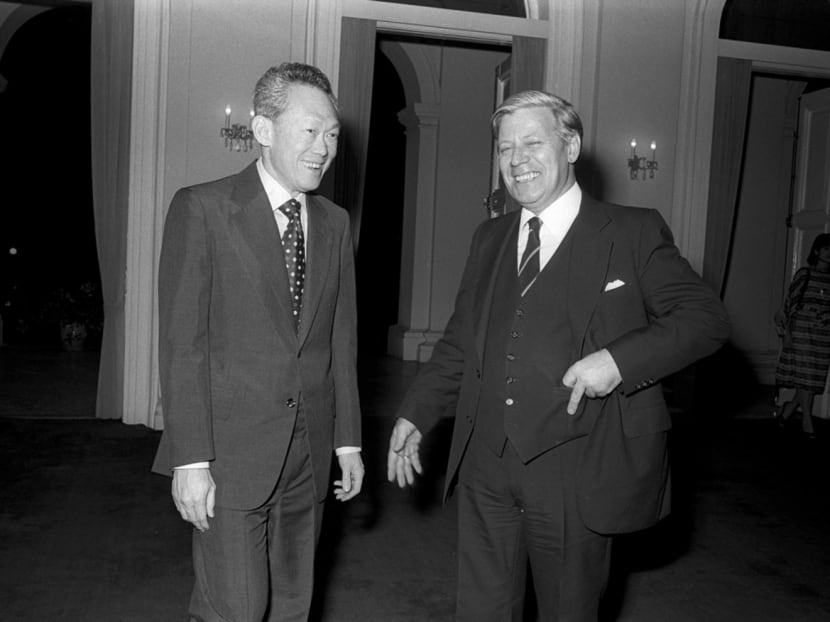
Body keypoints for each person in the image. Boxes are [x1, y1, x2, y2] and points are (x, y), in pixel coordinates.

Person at [386, 90, 730, 621]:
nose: (516, 160)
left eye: (531, 142)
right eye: (505, 149)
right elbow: (461, 341)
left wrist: (617, 362)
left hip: (578, 469)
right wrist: (417, 410)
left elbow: (706, 320)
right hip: (486, 464)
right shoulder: (489, 238)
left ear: (570, 146)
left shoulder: (632, 232)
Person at [152, 62, 364, 622]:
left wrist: (348, 442)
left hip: (310, 453)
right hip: (229, 455)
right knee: (235, 609)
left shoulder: (336, 222)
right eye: (310, 131)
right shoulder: (202, 208)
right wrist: (190, 459)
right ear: (263, 129)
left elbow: (341, 339)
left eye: (333, 135)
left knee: (294, 605)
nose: (325, 148)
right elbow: (182, 346)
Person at [773, 232, 830, 440]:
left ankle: (787, 412)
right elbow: (790, 303)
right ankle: (807, 421)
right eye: (825, 249)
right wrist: (787, 332)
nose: (829, 253)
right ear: (816, 251)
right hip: (802, 331)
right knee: (805, 375)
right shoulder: (804, 274)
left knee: (812, 378)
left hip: (823, 335)